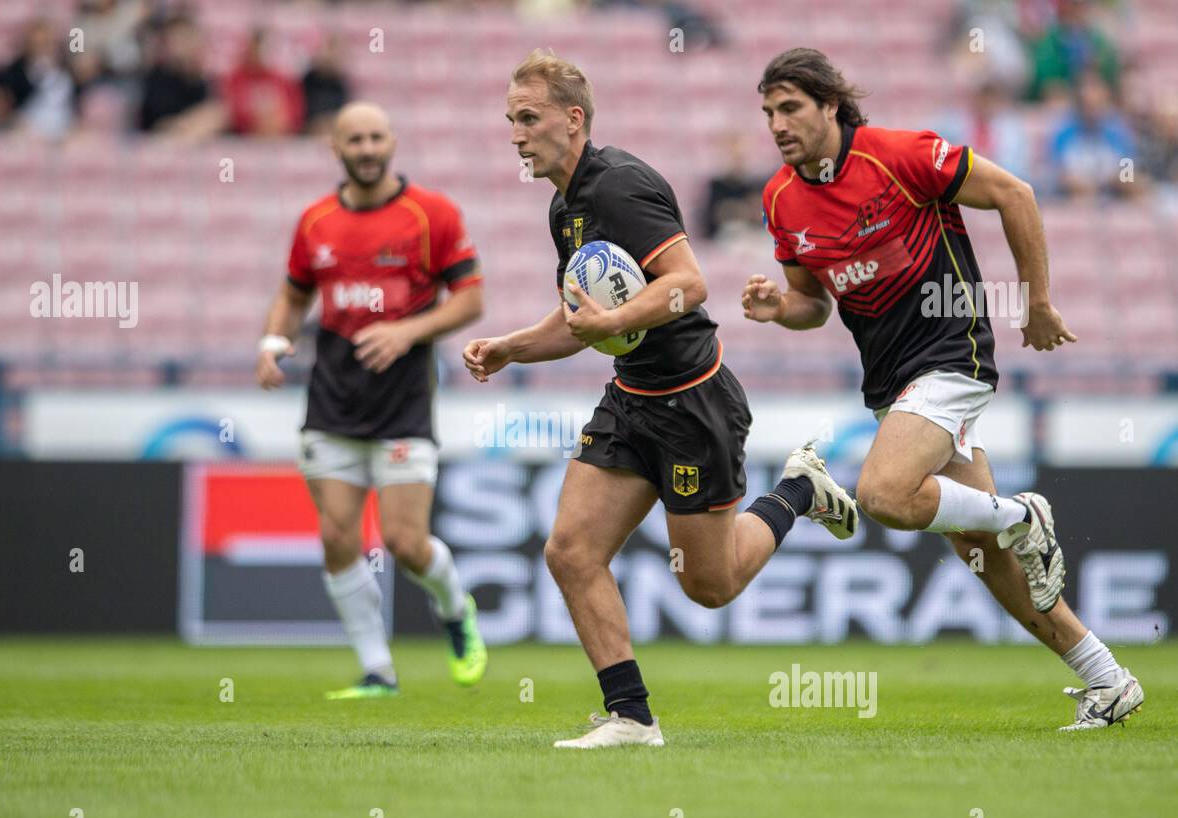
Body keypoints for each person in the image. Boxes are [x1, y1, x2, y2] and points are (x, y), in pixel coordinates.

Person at [464, 51, 857, 749]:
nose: (516, 134)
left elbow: (688, 283)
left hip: (692, 404)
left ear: (573, 119)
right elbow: (583, 316)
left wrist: (613, 323)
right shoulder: (565, 206)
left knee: (711, 586)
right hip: (631, 399)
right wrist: (511, 347)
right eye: (509, 121)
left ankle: (798, 490)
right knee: (570, 551)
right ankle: (632, 718)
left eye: (528, 119)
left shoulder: (621, 186)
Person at [744, 48, 1143, 731]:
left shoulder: (899, 155)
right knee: (984, 555)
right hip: (890, 383)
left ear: (830, 105)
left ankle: (1023, 515)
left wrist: (1037, 303)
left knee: (882, 494)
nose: (778, 124)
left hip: (950, 351)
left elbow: (1015, 193)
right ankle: (1108, 679)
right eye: (768, 112)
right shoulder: (780, 198)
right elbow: (813, 305)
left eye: (791, 108)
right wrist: (780, 308)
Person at [258, 102, 487, 698]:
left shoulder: (431, 214)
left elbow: (471, 300)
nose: (366, 148)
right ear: (335, 148)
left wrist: (406, 332)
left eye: (376, 137)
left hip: (403, 405)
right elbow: (291, 295)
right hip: (332, 403)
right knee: (337, 536)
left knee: (405, 544)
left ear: (392, 143)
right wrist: (272, 341)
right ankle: (376, 670)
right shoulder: (315, 222)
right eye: (354, 139)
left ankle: (455, 609)